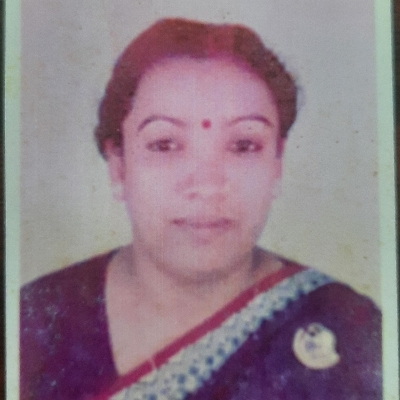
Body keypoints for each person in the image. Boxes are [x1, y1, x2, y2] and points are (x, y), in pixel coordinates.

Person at [20, 18, 381, 400]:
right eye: (165, 145)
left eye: (243, 146)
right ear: (118, 166)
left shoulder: (348, 328)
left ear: (277, 163)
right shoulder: (35, 319)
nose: (208, 186)